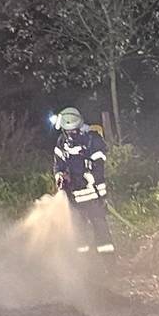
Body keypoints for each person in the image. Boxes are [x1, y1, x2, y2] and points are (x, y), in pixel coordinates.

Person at [50, 107, 116, 255]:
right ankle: (85, 267)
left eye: (70, 130)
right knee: (80, 236)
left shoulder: (93, 140)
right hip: (73, 198)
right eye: (67, 131)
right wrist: (60, 176)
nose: (69, 134)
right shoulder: (62, 142)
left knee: (101, 231)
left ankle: (110, 266)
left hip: (93, 197)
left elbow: (99, 167)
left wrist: (89, 180)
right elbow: (58, 165)